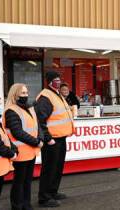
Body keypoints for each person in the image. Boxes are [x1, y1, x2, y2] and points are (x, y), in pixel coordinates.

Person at [35, 71, 74, 208]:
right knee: (49, 169)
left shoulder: (56, 94)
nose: (58, 81)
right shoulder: (45, 97)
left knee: (57, 168)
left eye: (59, 79)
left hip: (60, 137)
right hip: (52, 140)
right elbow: (40, 120)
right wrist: (47, 137)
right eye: (55, 79)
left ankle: (52, 192)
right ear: (49, 81)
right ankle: (44, 198)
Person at [3, 83, 43, 210]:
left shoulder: (29, 108)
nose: (26, 95)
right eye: (23, 93)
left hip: (30, 151)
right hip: (20, 152)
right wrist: (36, 142)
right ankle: (17, 206)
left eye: (26, 93)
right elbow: (17, 132)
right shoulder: (11, 110)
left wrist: (40, 138)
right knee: (19, 182)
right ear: (15, 94)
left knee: (27, 181)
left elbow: (38, 126)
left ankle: (27, 204)